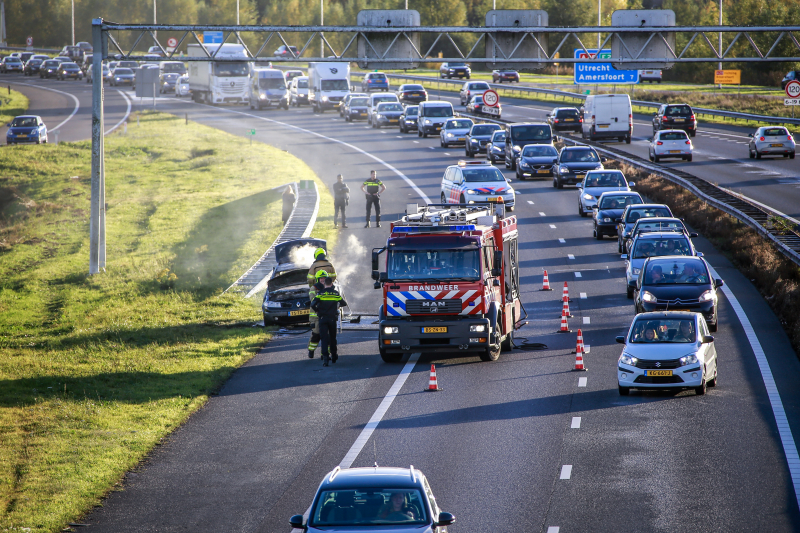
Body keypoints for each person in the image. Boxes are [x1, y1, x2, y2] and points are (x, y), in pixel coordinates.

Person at [311, 275, 348, 367]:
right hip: (332, 319)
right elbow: (344, 303)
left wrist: (317, 310)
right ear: (331, 284)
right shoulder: (335, 294)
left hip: (322, 318)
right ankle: (334, 355)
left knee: (324, 339)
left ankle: (326, 359)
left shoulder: (321, 293)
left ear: (324, 284)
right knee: (332, 338)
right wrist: (337, 306)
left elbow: (312, 304)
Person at [307, 248, 336, 358]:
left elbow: (309, 279)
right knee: (316, 335)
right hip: (316, 316)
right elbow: (313, 301)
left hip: (326, 315)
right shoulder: (314, 290)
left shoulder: (314, 266)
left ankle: (325, 354)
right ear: (318, 279)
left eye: (325, 279)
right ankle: (311, 350)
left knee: (327, 336)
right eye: (321, 279)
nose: (323, 281)